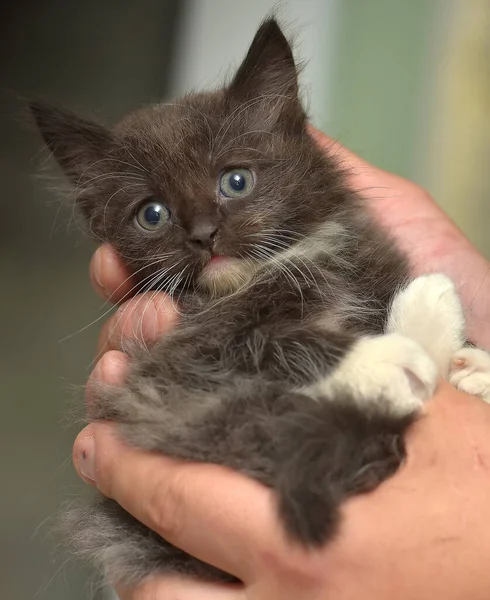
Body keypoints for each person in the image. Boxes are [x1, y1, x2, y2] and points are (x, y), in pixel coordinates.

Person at [74, 129, 490, 600]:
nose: (203, 228)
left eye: (235, 182)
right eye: (153, 214)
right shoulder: (190, 307)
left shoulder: (344, 255)